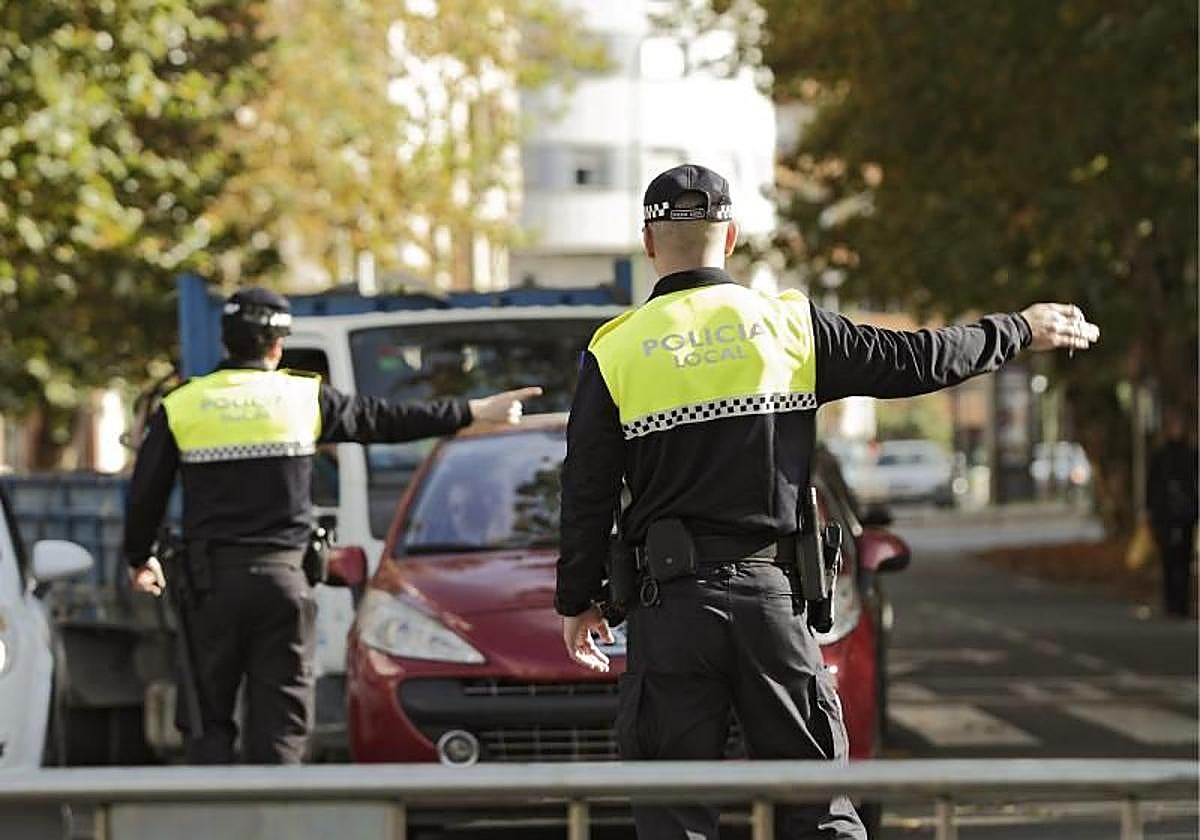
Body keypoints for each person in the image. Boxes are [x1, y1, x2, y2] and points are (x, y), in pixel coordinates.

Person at [555, 164, 1099, 839]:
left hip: (671, 612)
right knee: (818, 809)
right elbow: (918, 358)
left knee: (674, 814)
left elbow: (586, 490)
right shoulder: (789, 329)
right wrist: (1017, 329)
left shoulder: (616, 352)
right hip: (772, 605)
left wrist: (579, 600)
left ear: (647, 242)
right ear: (731, 240)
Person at [124, 286, 540, 764]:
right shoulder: (302, 399)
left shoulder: (182, 405)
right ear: (277, 347)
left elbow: (146, 494)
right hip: (284, 583)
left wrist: (140, 558)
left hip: (209, 588)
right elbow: (384, 420)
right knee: (280, 724)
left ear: (225, 341)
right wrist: (472, 412)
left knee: (207, 720)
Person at [1146, 409, 1198, 618]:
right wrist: (1150, 509)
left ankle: (1182, 603)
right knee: (1168, 558)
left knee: (1184, 559)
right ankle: (1171, 603)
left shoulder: (1191, 454)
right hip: (1165, 515)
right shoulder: (1160, 456)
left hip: (1185, 514)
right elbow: (1152, 484)